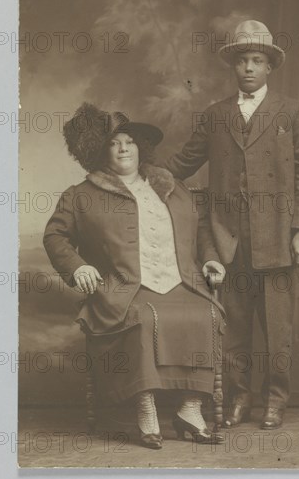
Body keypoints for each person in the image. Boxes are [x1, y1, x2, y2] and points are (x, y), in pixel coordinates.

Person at [43, 103, 227, 449]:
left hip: (181, 281)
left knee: (206, 312)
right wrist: (78, 266)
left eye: (129, 141)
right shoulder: (81, 196)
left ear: (141, 147)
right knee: (142, 318)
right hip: (124, 287)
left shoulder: (173, 187)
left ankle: (190, 409)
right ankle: (146, 409)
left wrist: (211, 260)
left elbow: (200, 229)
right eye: (114, 143)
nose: (124, 148)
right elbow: (55, 236)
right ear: (102, 151)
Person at [165, 20, 299, 429]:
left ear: (270, 67)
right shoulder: (216, 115)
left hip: (278, 237)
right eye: (242, 61)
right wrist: (136, 174)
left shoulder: (293, 112)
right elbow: (183, 164)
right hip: (228, 236)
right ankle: (239, 398)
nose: (248, 68)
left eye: (257, 61)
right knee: (233, 328)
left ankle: (275, 400)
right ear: (233, 67)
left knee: (277, 329)